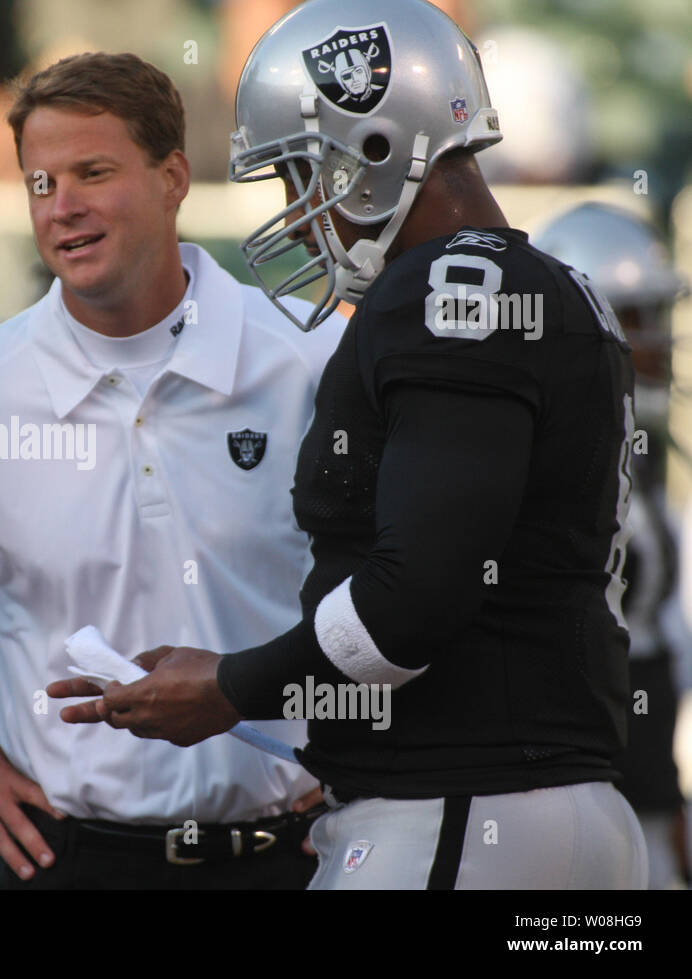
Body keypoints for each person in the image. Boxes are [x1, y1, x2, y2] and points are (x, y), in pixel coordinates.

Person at [59, 0, 648, 890]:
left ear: (370, 151)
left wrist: (231, 685)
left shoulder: (449, 290)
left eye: (301, 174)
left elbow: (412, 599)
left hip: (463, 812)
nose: (298, 215)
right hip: (545, 811)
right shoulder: (547, 285)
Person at [0, 51, 344, 890]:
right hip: (64, 858)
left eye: (93, 172)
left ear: (174, 177)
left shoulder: (314, 356)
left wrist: (379, 750)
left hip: (295, 856)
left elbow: (401, 574)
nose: (63, 207)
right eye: (40, 183)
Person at [535, 202, 691, 888]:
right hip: (577, 796)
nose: (655, 340)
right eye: (633, 317)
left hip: (641, 787)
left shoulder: (639, 449)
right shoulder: (556, 456)